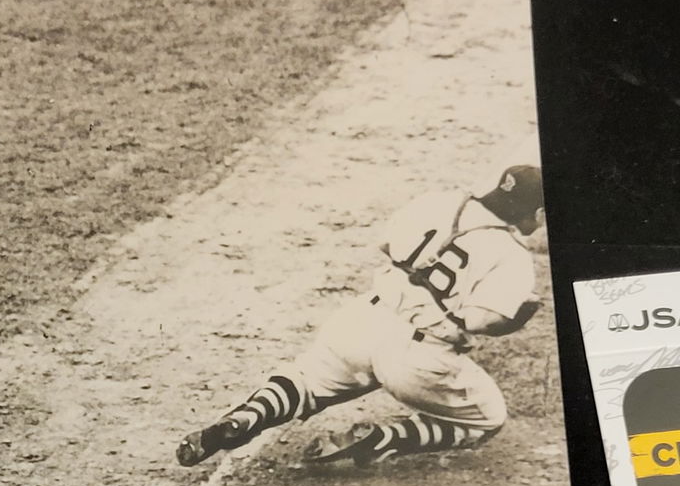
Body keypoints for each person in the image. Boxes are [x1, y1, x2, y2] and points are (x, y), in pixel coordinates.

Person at [176, 165, 547, 469]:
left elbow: (386, 245)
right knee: (488, 417)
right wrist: (515, 318)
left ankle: (247, 416)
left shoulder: (441, 201)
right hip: (420, 357)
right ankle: (386, 438)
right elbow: (480, 320)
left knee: (305, 382)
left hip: (362, 320)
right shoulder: (512, 255)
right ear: (537, 213)